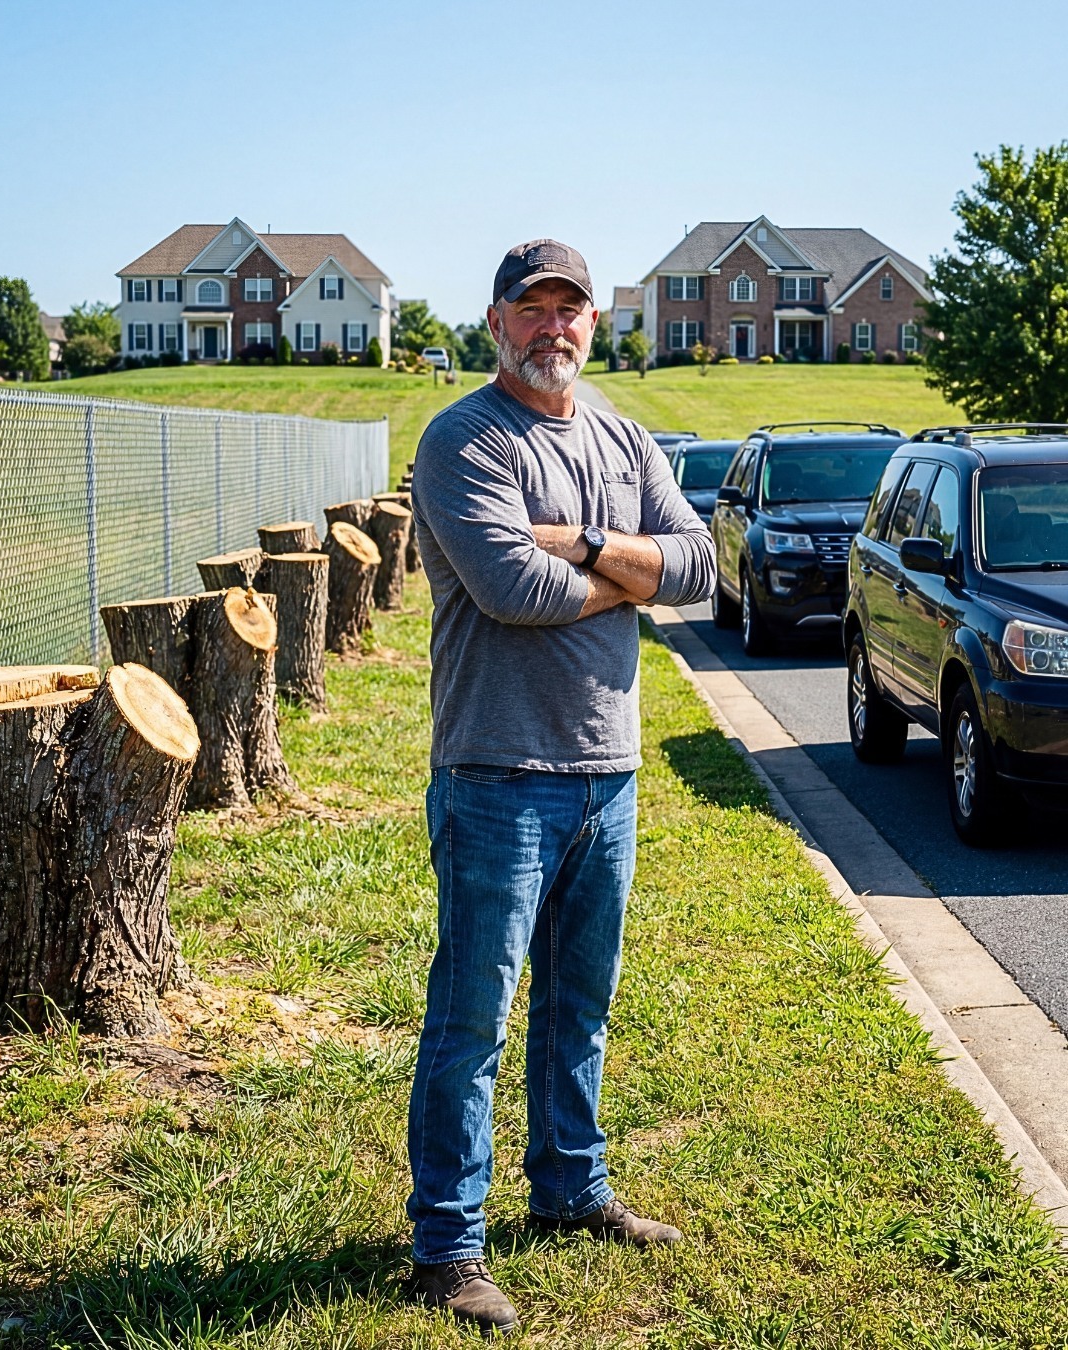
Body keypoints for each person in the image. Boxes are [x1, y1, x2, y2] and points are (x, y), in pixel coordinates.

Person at [406, 239, 716, 1335]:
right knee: (474, 1020)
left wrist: (584, 541)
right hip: (496, 773)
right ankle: (447, 1245)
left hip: (609, 774)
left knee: (580, 1009)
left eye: (568, 310)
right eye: (530, 310)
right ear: (495, 322)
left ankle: (571, 1190)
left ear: (594, 324)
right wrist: (626, 578)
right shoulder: (461, 440)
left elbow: (701, 568)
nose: (552, 328)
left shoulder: (625, 438)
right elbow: (510, 590)